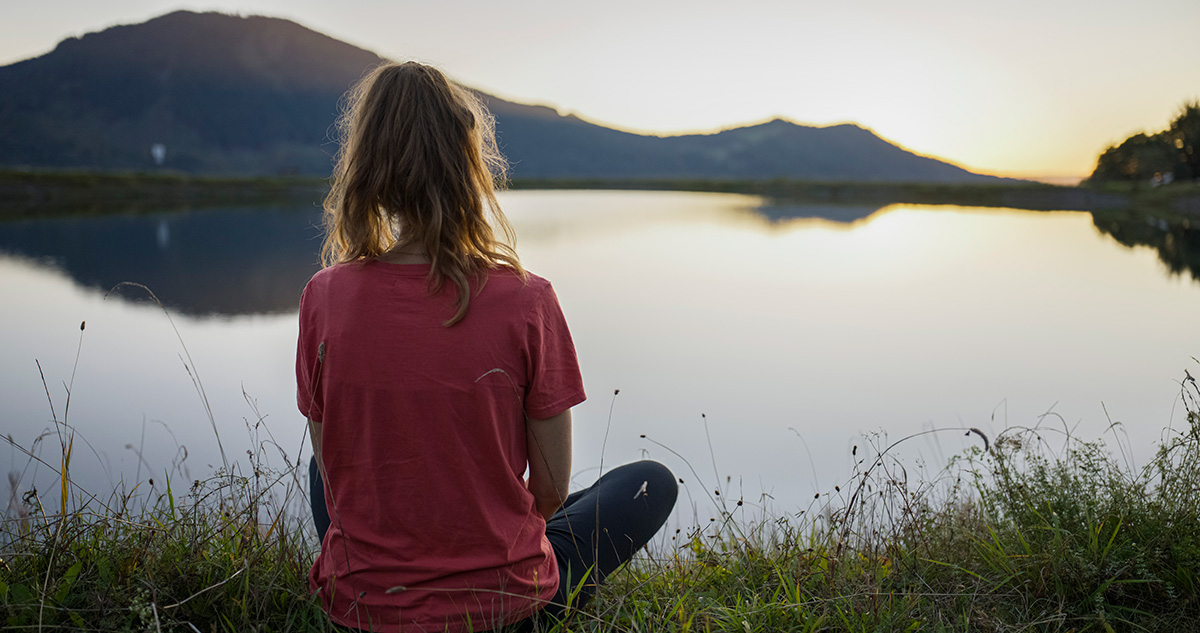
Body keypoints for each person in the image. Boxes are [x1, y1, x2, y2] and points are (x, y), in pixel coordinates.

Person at [297, 61, 677, 633]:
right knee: (651, 481)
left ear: (366, 166)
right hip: (504, 609)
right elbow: (549, 490)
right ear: (467, 163)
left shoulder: (324, 296)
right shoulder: (527, 300)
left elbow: (333, 468)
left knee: (317, 469)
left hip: (364, 609)